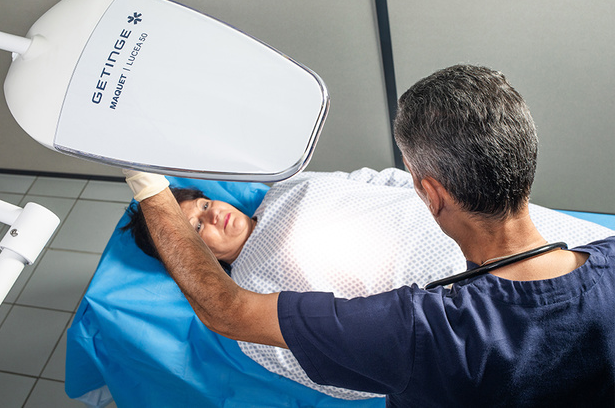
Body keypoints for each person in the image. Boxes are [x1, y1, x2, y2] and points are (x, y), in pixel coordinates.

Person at [124, 64, 615, 406]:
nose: (211, 217)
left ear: (431, 194)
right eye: (193, 228)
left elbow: (226, 312)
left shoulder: (421, 332)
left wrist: (146, 181)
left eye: (205, 206)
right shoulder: (606, 256)